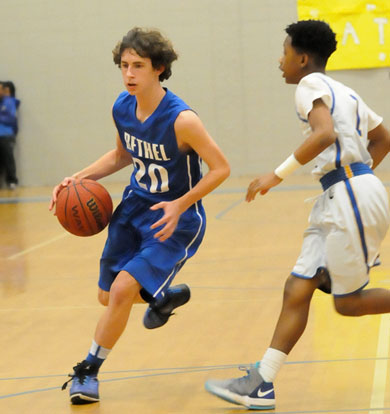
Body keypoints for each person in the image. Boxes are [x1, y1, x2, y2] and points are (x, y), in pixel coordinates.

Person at [205, 19, 390, 410]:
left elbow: (324, 135)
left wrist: (275, 175)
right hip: (342, 193)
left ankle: (261, 381)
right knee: (298, 286)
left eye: (285, 52)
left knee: (348, 303)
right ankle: (262, 383)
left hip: (349, 193)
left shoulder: (310, 86)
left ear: (303, 59)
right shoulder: (346, 91)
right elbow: (383, 138)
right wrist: (359, 176)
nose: (279, 60)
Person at [49, 27, 230, 405]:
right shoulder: (122, 106)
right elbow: (121, 155)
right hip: (133, 207)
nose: (129, 73)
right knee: (107, 297)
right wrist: (76, 179)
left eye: (138, 66)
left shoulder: (182, 120)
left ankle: (88, 372)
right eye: (124, 65)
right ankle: (159, 297)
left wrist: (181, 203)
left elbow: (221, 168)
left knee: (119, 291)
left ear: (159, 69)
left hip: (173, 220)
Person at [0, 81, 20, 189]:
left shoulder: (9, 102)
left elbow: (11, 118)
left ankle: (12, 181)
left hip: (6, 135)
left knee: (8, 158)